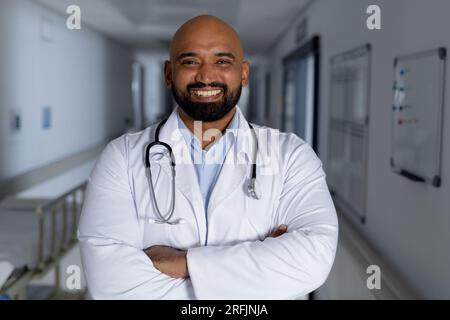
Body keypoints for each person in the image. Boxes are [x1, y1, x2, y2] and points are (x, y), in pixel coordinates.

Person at [78, 15, 338, 300]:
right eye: (190, 61)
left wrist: (186, 262)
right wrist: (259, 268)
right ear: (168, 73)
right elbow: (111, 285)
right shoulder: (122, 158)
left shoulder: (291, 156)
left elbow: (313, 260)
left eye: (223, 62)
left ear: (244, 73)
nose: (205, 76)